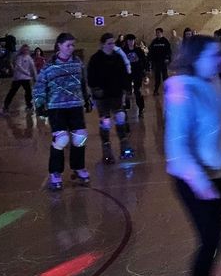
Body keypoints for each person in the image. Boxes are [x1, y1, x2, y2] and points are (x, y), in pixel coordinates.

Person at [164, 34, 221, 276]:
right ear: (195, 59)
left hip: (219, 174)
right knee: (208, 243)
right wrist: (199, 181)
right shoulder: (181, 90)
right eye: (214, 55)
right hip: (195, 180)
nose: (220, 60)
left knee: (214, 243)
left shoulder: (214, 82)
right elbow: (177, 145)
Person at [35, 32, 92, 189]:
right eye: (68, 45)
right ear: (59, 46)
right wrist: (39, 103)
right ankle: (55, 172)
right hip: (57, 108)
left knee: (80, 138)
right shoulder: (49, 66)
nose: (71, 48)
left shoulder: (78, 63)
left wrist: (87, 98)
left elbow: (83, 82)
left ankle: (78, 167)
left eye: (73, 45)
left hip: (75, 105)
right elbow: (40, 85)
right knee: (61, 140)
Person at [87, 33, 132, 164]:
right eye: (109, 43)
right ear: (103, 44)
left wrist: (126, 89)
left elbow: (124, 75)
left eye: (113, 43)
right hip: (102, 97)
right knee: (105, 122)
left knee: (120, 118)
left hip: (116, 94)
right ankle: (107, 150)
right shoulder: (95, 59)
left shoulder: (117, 57)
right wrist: (95, 90)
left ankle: (125, 147)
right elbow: (91, 77)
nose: (112, 46)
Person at [121, 34, 148, 119]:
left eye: (132, 40)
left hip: (137, 73)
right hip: (127, 74)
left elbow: (144, 61)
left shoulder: (138, 50)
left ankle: (141, 108)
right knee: (127, 91)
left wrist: (145, 72)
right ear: (127, 41)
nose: (131, 42)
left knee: (137, 91)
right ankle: (126, 107)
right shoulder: (124, 51)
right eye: (129, 40)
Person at [3, 44, 36, 112]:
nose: (26, 51)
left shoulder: (29, 57)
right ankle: (6, 105)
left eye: (27, 49)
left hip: (26, 78)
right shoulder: (19, 57)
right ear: (22, 50)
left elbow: (32, 67)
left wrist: (35, 76)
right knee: (12, 92)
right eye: (24, 49)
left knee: (28, 92)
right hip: (18, 78)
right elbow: (18, 67)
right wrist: (27, 73)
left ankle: (29, 105)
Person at [148, 27, 173, 93]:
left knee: (165, 76)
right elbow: (151, 51)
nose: (157, 34)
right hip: (156, 62)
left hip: (164, 61)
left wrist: (167, 58)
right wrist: (150, 59)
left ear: (161, 33)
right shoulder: (154, 41)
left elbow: (169, 51)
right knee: (157, 77)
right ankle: (156, 90)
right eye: (156, 33)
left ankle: (167, 89)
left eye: (158, 32)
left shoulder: (165, 41)